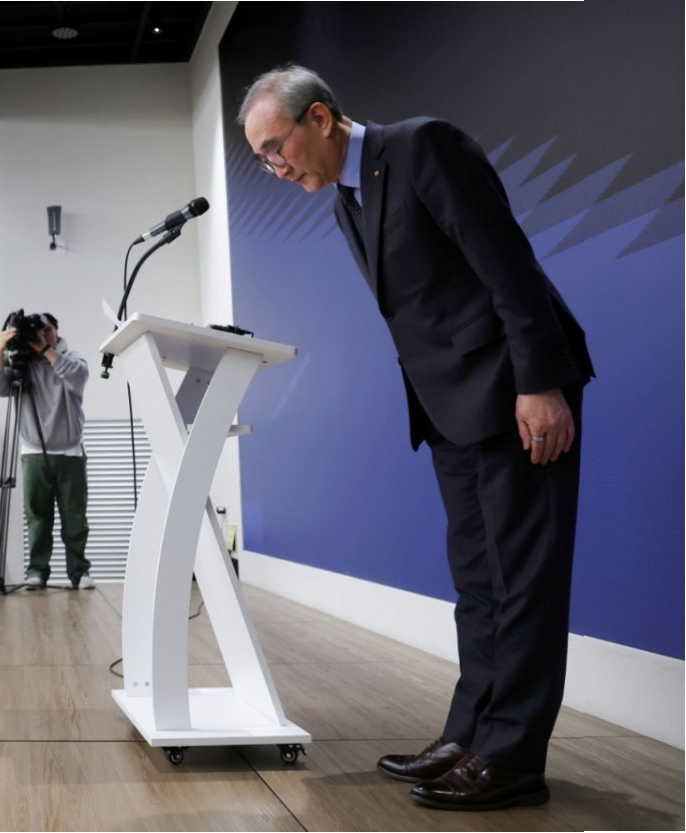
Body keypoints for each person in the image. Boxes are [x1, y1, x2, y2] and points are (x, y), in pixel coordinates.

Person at [238, 65, 593, 811]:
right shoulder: (347, 200)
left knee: (524, 579)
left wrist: (539, 382)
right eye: (263, 158)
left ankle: (512, 755)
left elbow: (509, 264)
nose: (275, 167)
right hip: (449, 409)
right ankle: (469, 735)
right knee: (478, 582)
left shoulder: (424, 147)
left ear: (320, 118)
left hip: (514, 392)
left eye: (275, 148)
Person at [0, 312, 93, 589]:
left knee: (75, 519)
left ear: (57, 331)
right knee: (37, 518)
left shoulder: (71, 358)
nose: (42, 335)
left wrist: (45, 349)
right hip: (33, 452)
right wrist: (0, 347)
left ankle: (79, 572)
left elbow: (78, 377)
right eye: (38, 331)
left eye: (47, 330)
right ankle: (37, 571)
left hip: (70, 452)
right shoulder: (21, 364)